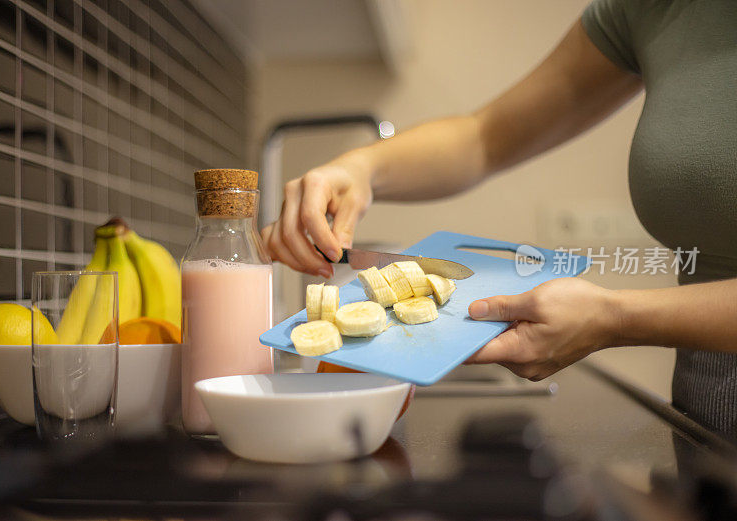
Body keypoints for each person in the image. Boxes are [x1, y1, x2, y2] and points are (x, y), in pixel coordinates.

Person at [260, 1, 737, 436]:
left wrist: (616, 318)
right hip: (704, 413)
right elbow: (485, 137)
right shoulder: (655, 8)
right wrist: (359, 167)